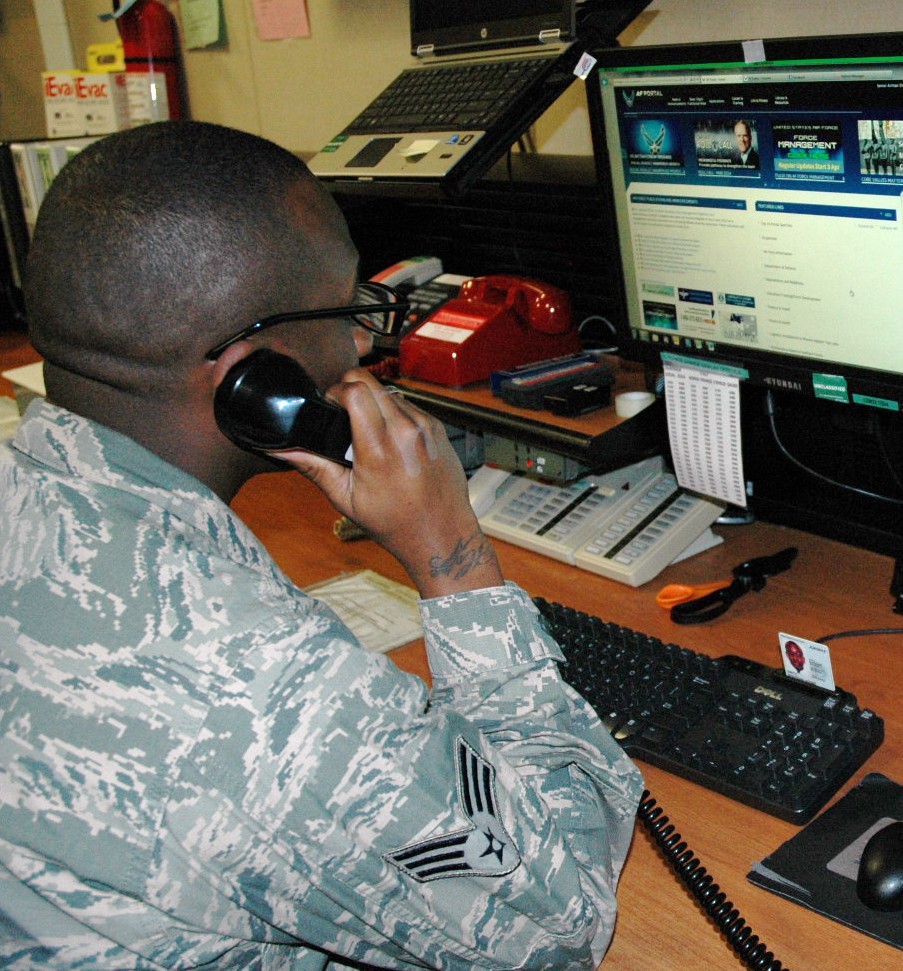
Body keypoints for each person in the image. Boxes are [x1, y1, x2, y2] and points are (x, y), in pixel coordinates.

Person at [0, 120, 643, 969]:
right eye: (348, 308)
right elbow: (558, 923)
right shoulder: (258, 695)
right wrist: (451, 554)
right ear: (249, 376)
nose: (363, 342)